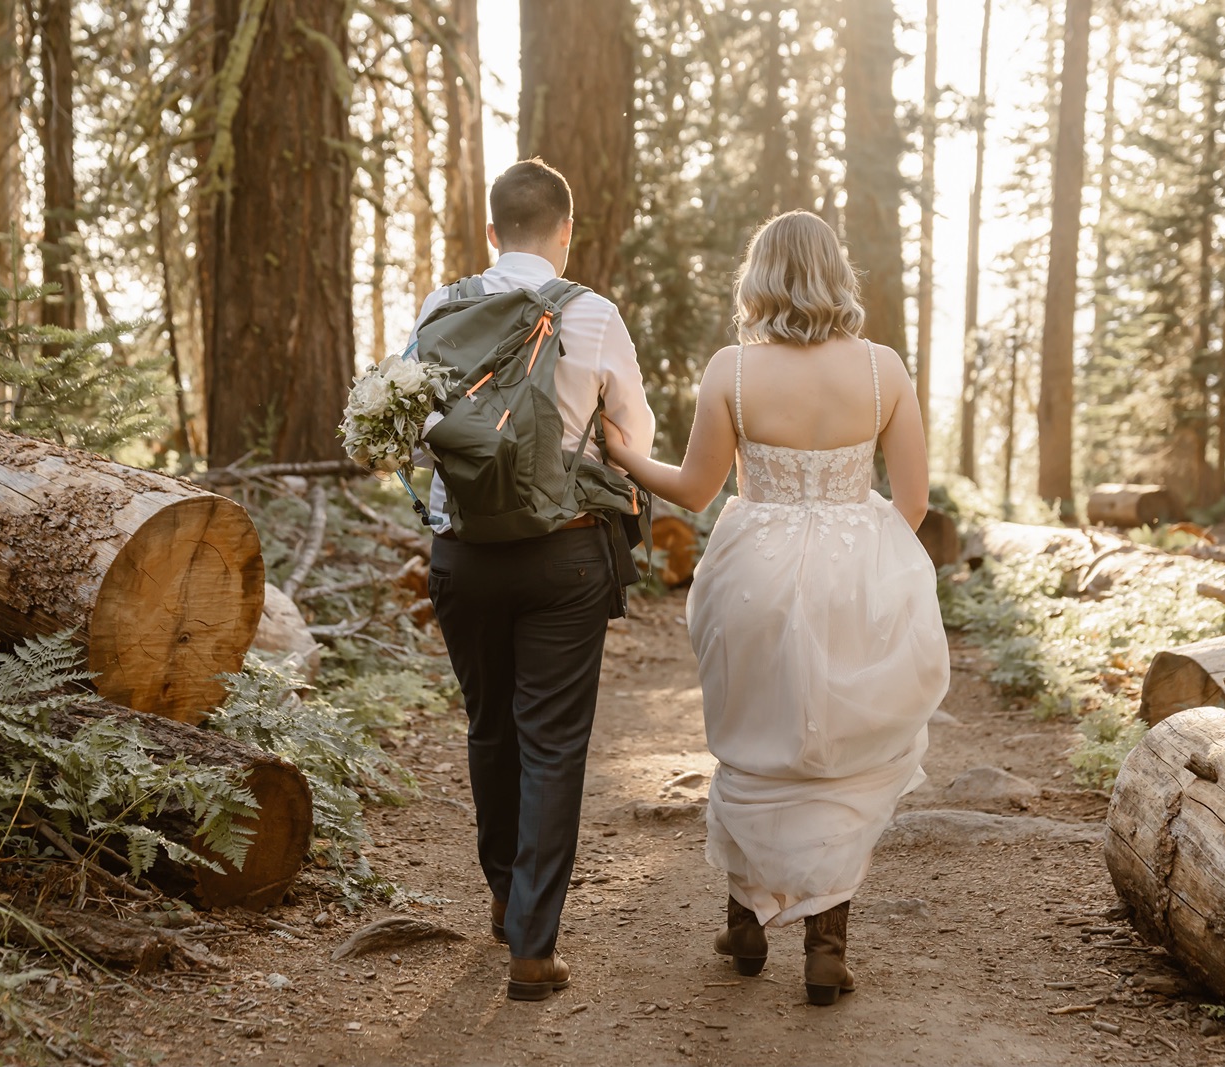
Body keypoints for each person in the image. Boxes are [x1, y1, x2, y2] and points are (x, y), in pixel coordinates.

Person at [602, 210, 949, 1006]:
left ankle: (747, 924)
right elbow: (914, 501)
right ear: (837, 273)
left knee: (756, 739)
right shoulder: (881, 370)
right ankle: (827, 944)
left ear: (760, 276)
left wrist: (621, 452)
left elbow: (695, 490)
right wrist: (860, 561)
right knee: (842, 750)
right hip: (855, 573)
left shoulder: (732, 369)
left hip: (752, 570)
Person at [406, 158, 656, 1001]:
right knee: (551, 740)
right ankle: (532, 942)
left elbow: (410, 423)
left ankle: (501, 896)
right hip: (565, 552)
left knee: (489, 727)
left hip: (464, 553)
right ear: (565, 232)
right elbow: (634, 429)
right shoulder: (592, 314)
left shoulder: (444, 308)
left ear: (490, 231)